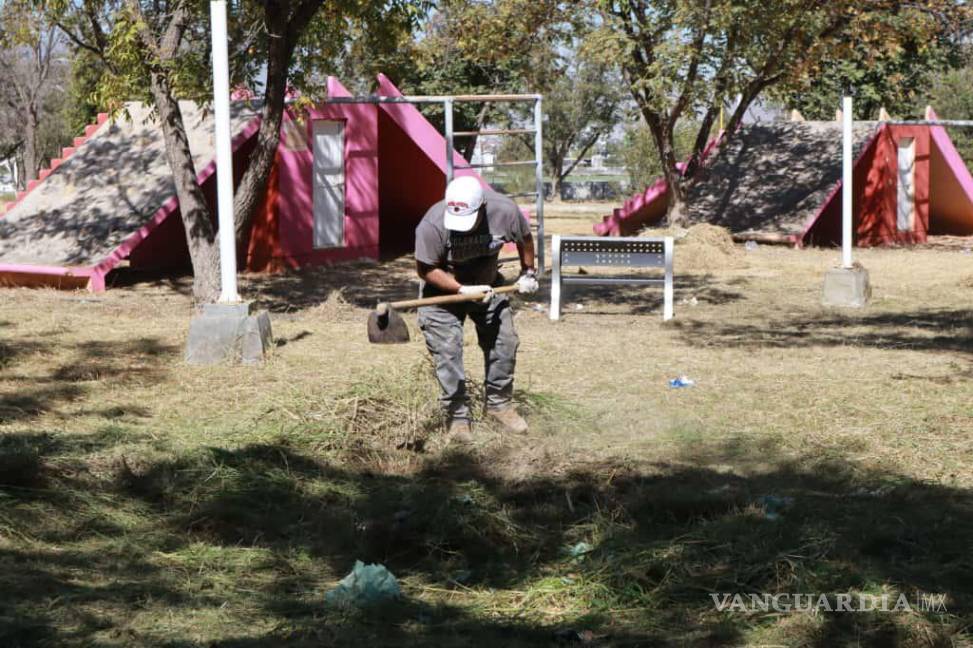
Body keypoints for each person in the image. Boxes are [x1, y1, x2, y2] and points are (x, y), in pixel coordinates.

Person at [414, 176, 539, 443]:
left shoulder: (504, 210)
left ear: (482, 207)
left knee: (504, 342)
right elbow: (425, 269)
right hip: (442, 294)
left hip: (489, 285)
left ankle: (499, 406)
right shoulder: (432, 224)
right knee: (448, 351)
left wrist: (528, 272)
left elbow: (525, 238)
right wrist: (461, 289)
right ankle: (457, 418)